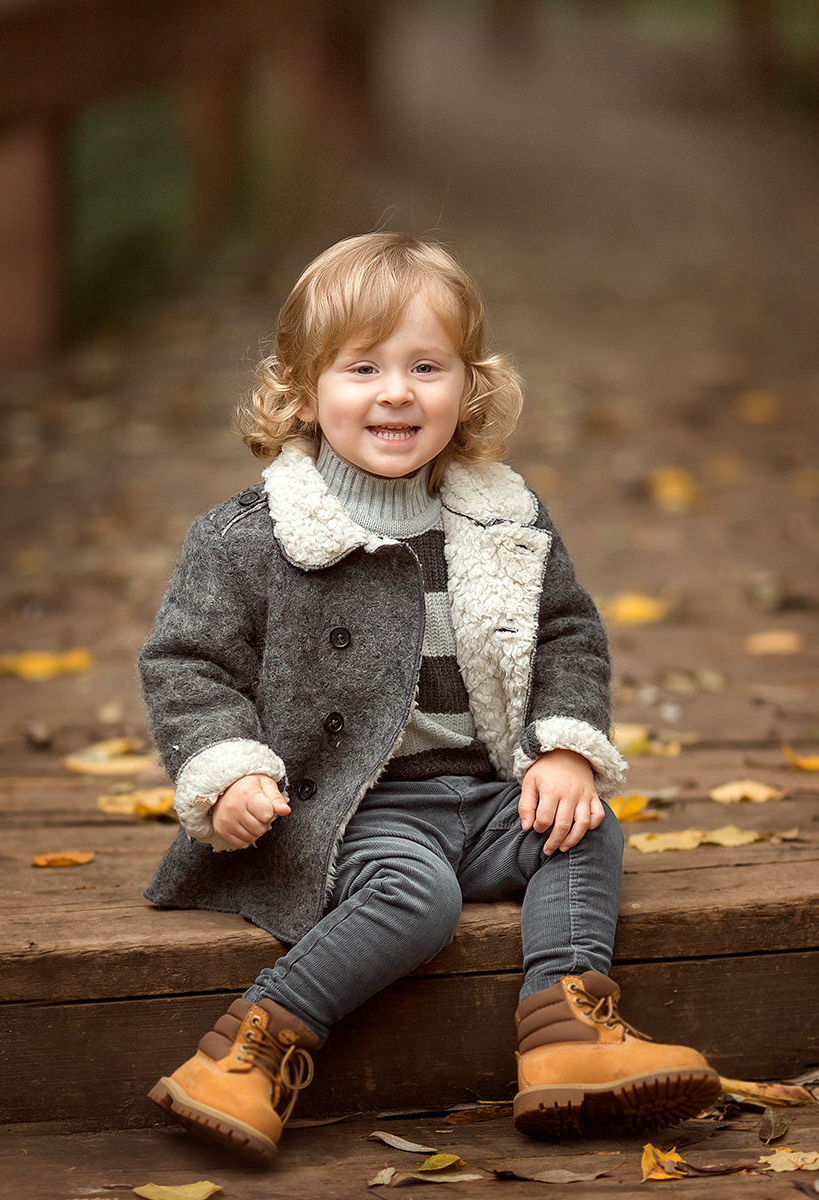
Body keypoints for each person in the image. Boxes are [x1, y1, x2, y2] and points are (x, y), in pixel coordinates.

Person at [140, 232, 720, 1165]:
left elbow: (566, 631)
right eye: (362, 367)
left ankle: (567, 1029)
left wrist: (562, 748)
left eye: (425, 366)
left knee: (584, 831)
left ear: (469, 387)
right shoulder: (250, 536)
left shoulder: (505, 517)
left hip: (485, 793)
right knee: (419, 898)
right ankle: (252, 1047)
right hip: (347, 805)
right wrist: (231, 772)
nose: (397, 392)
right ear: (301, 392)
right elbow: (188, 665)